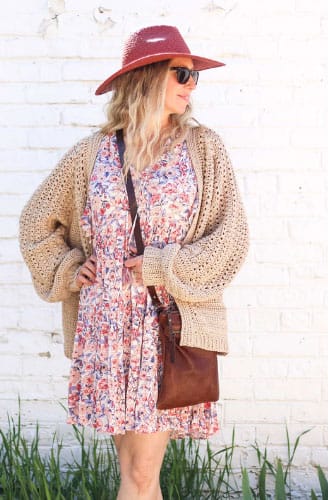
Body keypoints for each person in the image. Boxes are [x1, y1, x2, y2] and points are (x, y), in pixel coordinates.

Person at [19, 25, 248, 499]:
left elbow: (232, 238)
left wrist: (164, 267)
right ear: (145, 77)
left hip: (166, 329)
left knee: (139, 475)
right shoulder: (93, 154)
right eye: (181, 74)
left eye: (194, 76)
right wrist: (68, 269)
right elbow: (36, 221)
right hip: (105, 329)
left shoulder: (203, 149)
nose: (191, 85)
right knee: (136, 473)